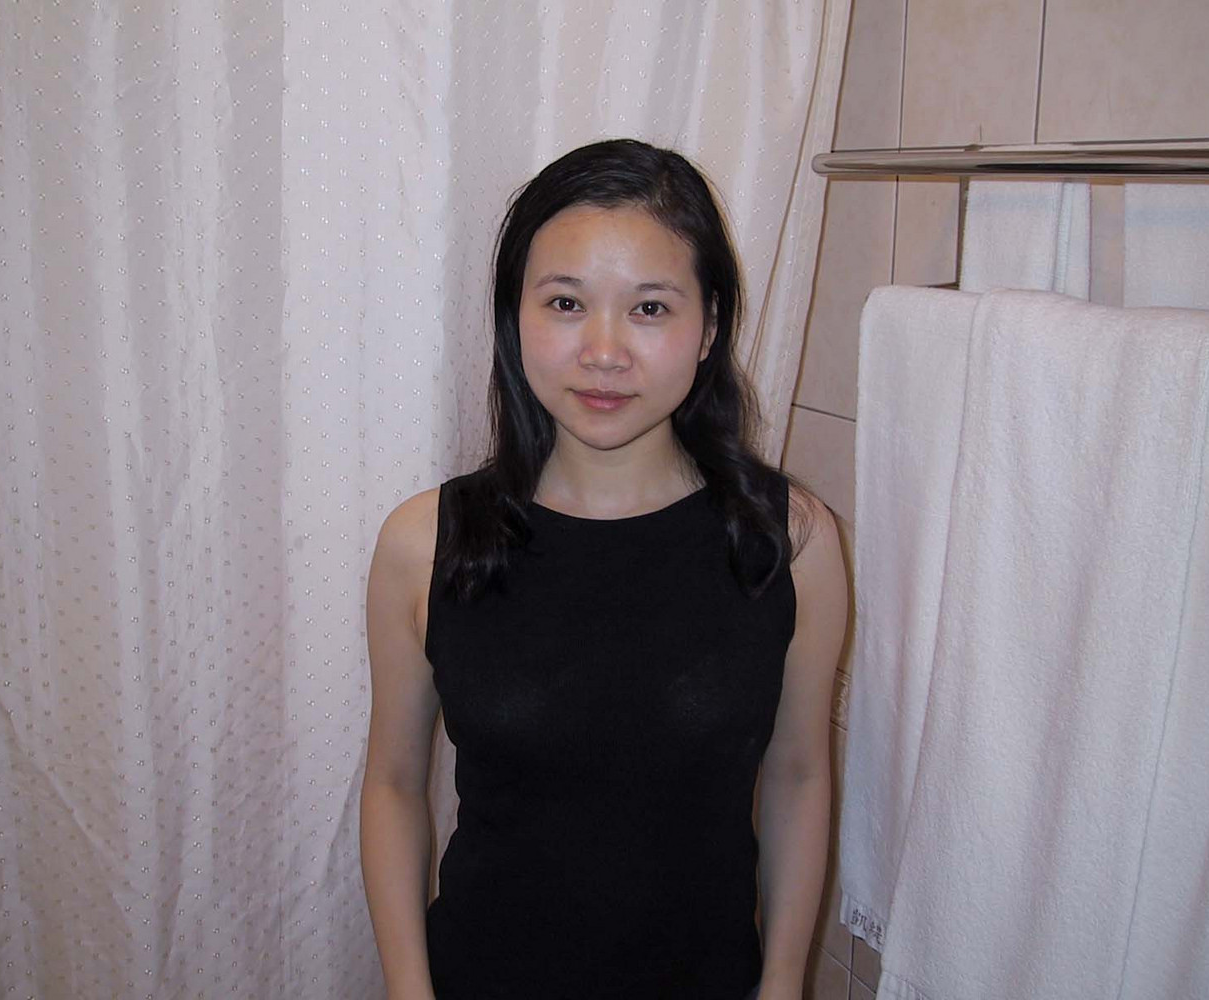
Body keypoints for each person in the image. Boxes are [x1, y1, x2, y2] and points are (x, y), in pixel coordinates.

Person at [359, 138, 847, 1000]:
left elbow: (798, 772)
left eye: (650, 308)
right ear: (514, 317)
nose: (604, 351)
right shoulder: (425, 542)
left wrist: (781, 983)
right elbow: (395, 783)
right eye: (565, 303)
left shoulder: (789, 540)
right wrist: (407, 989)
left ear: (710, 328)